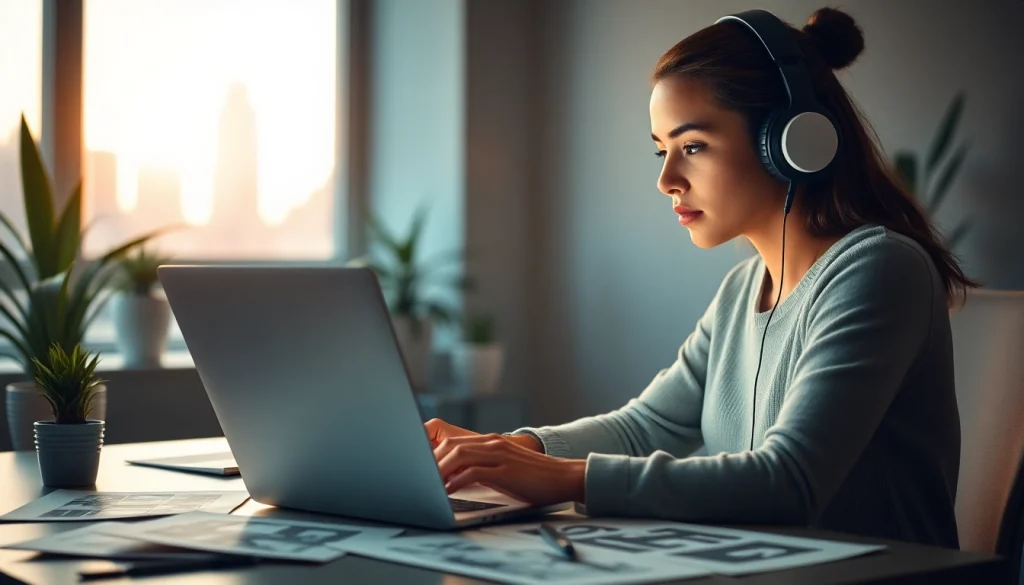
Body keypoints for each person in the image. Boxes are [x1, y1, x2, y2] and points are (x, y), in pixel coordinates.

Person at [426, 7, 976, 549]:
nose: (666, 179)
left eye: (692, 147)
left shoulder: (880, 269)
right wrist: (508, 449)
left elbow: (790, 482)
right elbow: (644, 427)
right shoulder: (743, 288)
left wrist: (569, 478)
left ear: (789, 141)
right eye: (662, 150)